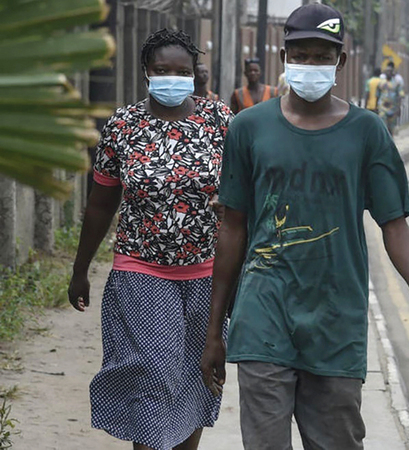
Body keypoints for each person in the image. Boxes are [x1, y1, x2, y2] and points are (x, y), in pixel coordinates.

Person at [200, 4, 409, 449]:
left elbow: (394, 225)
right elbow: (231, 228)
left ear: (340, 62)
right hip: (263, 316)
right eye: (302, 55)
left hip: (335, 320)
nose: (310, 65)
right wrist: (215, 330)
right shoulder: (248, 128)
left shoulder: (367, 133)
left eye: (321, 56)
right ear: (284, 57)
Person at [67, 29, 233, 450]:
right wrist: (80, 270)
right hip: (141, 272)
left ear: (195, 74)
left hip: (206, 276)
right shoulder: (124, 125)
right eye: (163, 70)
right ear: (146, 72)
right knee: (153, 378)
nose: (173, 78)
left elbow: (242, 197)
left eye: (183, 71)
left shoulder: (220, 122)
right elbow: (101, 205)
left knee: (195, 380)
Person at [377, 62, 404, 135]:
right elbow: (377, 94)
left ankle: (391, 140)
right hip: (382, 107)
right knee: (383, 125)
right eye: (387, 72)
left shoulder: (397, 83)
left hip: (393, 108)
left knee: (391, 127)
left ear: (393, 73)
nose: (388, 73)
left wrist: (399, 107)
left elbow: (400, 95)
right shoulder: (381, 82)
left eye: (390, 72)